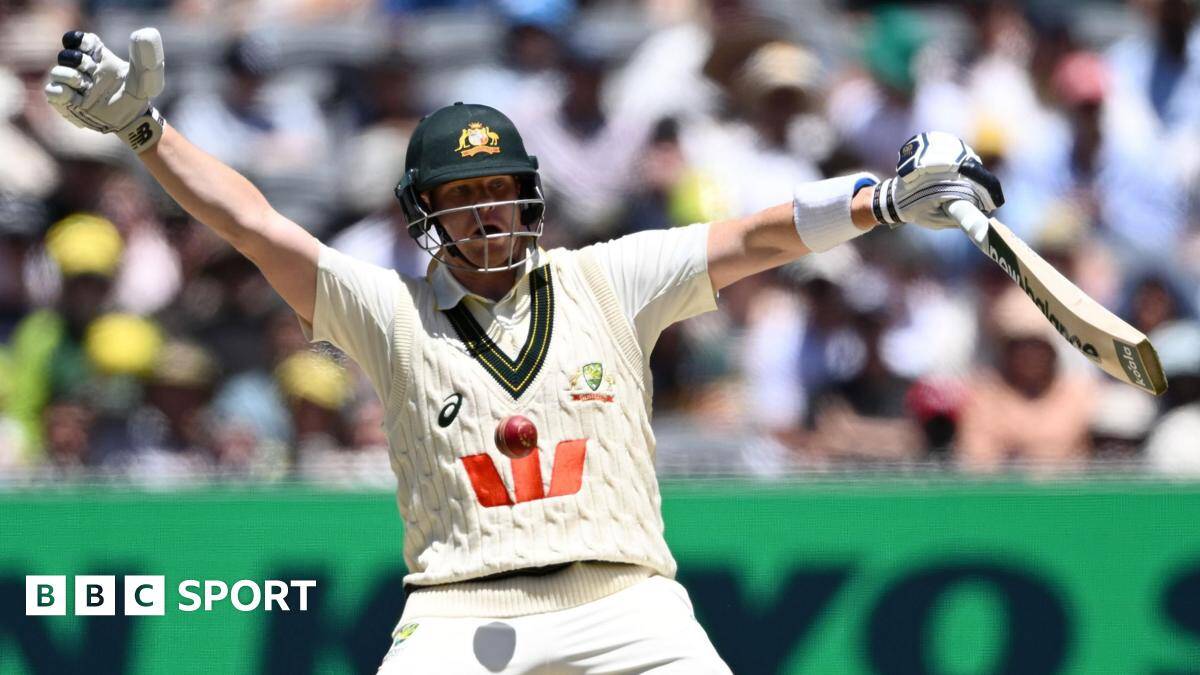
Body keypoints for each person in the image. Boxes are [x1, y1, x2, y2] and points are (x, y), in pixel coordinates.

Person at [42, 28, 1003, 673]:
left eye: (500, 189)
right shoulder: (388, 311)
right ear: (425, 214)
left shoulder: (609, 278)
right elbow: (256, 225)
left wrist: (882, 200)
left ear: (529, 194)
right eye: (463, 197)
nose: (488, 212)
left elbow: (756, 236)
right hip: (457, 609)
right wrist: (145, 131)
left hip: (626, 597)